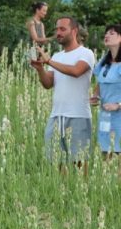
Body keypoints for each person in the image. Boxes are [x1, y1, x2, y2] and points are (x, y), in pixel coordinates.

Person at [31, 16, 95, 174]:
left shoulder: (86, 53)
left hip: (78, 114)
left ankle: (82, 194)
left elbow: (76, 72)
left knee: (79, 160)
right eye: (57, 29)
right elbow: (48, 84)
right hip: (56, 115)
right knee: (56, 160)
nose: (58, 33)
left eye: (62, 29)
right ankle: (64, 193)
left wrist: (48, 62)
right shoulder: (57, 56)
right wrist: (40, 69)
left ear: (74, 31)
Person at [90, 24, 121, 160]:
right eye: (106, 33)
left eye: (112, 33)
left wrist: (118, 104)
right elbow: (100, 81)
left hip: (119, 117)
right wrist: (96, 95)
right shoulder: (104, 61)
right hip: (105, 116)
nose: (106, 36)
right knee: (106, 154)